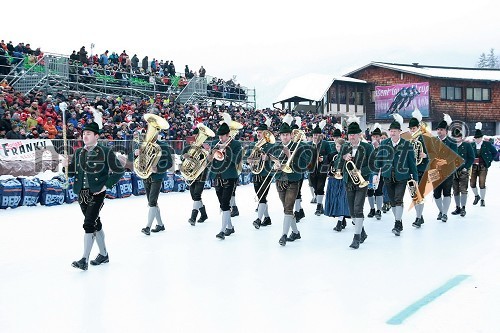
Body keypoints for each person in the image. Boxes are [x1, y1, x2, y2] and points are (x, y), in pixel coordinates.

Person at [65, 112, 124, 270]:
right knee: (96, 223)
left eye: (88, 133)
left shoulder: (105, 151)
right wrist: (65, 165)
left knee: (89, 224)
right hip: (81, 192)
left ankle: (84, 259)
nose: (85, 136)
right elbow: (71, 173)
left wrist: (107, 186)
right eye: (83, 133)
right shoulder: (78, 153)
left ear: (96, 136)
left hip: (97, 192)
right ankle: (104, 255)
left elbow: (119, 171)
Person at [271, 114, 311, 246]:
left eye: (287, 135)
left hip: (293, 180)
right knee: (286, 208)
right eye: (282, 135)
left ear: (291, 135)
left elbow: (304, 164)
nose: (284, 137)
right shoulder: (276, 147)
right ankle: (295, 232)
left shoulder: (299, 146)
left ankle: (283, 235)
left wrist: (290, 156)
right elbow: (272, 163)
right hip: (279, 180)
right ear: (280, 136)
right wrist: (275, 165)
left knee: (288, 208)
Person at [375, 114, 418, 237]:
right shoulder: (384, 144)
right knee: (393, 201)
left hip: (402, 177)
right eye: (391, 131)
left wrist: (415, 178)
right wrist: (375, 173)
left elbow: (412, 163)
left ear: (400, 132)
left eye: (395, 131)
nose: (392, 133)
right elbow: (379, 161)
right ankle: (398, 220)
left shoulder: (407, 145)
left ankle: (397, 223)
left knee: (398, 199)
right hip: (388, 177)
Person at [335, 116, 373, 249]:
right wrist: (343, 157)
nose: (352, 137)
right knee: (352, 212)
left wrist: (362, 171)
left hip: (362, 182)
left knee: (358, 208)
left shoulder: (367, 147)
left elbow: (374, 165)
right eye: (350, 135)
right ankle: (361, 232)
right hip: (348, 182)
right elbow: (337, 164)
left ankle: (356, 238)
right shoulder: (345, 146)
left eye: (354, 135)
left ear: (359, 135)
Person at [133, 115, 173, 235]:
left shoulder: (164, 146)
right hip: (146, 175)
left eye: (154, 131)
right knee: (152, 203)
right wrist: (136, 154)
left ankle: (147, 227)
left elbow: (170, 163)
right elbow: (137, 160)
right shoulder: (143, 145)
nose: (151, 134)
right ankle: (160, 225)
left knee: (152, 202)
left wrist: (158, 168)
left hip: (157, 176)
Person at [208, 113, 242, 240]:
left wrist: (226, 150)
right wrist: (212, 152)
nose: (220, 138)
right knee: (222, 204)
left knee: (225, 202)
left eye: (222, 136)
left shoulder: (236, 144)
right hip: (217, 175)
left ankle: (222, 230)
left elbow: (237, 161)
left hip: (230, 175)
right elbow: (210, 160)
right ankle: (230, 227)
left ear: (228, 135)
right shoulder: (215, 143)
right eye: (219, 136)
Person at [182, 123, 214, 226]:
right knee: (194, 196)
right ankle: (204, 214)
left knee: (196, 195)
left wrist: (209, 152)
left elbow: (209, 161)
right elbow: (182, 157)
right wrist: (184, 157)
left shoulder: (205, 149)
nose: (196, 138)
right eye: (196, 136)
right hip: (191, 174)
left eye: (198, 136)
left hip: (201, 174)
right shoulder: (188, 147)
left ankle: (193, 217)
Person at [429, 114, 457, 222]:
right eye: (438, 129)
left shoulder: (451, 141)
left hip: (447, 171)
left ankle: (445, 213)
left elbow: (454, 155)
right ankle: (441, 210)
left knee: (446, 192)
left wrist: (445, 161)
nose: (439, 131)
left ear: (446, 131)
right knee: (436, 194)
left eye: (441, 130)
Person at [248, 115, 274, 229]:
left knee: (262, 196)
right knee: (260, 197)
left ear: (265, 133)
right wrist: (251, 160)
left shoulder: (270, 144)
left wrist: (267, 158)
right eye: (257, 132)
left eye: (260, 132)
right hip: (256, 173)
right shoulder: (254, 144)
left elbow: (276, 158)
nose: (258, 134)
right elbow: (249, 158)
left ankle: (258, 219)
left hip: (266, 173)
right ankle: (267, 218)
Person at [407, 108, 430, 228]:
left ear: (418, 128)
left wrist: (426, 155)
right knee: (414, 194)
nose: (412, 131)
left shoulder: (425, 139)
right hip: (412, 171)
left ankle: (418, 217)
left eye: (414, 128)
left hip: (422, 169)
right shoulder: (409, 141)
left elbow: (434, 154)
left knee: (420, 194)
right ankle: (419, 215)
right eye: (410, 129)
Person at [324, 138, 350, 231]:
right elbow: (329, 166)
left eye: (339, 146)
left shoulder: (347, 155)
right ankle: (342, 220)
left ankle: (339, 222)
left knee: (341, 200)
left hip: (343, 180)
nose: (337, 148)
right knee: (336, 200)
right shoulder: (334, 155)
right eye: (336, 146)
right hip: (333, 180)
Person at [308, 120, 333, 216]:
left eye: (317, 135)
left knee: (320, 187)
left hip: (322, 168)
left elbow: (330, 155)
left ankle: (318, 206)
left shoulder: (325, 143)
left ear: (320, 136)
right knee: (315, 187)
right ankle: (320, 204)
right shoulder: (309, 144)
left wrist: (323, 158)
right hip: (312, 169)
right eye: (314, 135)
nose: (315, 136)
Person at [470, 122, 498, 207]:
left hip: (483, 166)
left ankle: (482, 199)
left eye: (479, 138)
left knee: (482, 183)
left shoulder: (487, 144)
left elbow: (495, 152)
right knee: (472, 183)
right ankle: (476, 196)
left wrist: (489, 161)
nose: (477, 139)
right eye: (476, 138)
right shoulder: (472, 145)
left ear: (481, 138)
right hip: (474, 166)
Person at [450, 127, 475, 217]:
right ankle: (457, 207)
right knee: (455, 190)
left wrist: (466, 167)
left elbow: (471, 158)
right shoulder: (451, 146)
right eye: (454, 137)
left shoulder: (467, 145)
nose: (456, 139)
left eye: (457, 137)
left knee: (463, 189)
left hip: (463, 170)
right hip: (453, 171)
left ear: (461, 137)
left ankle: (463, 208)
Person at [366, 123, 384, 220]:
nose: (375, 138)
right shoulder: (369, 146)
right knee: (369, 191)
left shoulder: (383, 146)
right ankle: (372, 208)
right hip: (370, 171)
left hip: (379, 172)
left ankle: (379, 210)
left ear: (380, 137)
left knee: (379, 191)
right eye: (374, 136)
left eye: (377, 136)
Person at [292, 117, 306, 222]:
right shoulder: (289, 144)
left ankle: (297, 212)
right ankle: (299, 210)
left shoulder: (302, 145)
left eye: (296, 134)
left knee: (297, 192)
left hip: (299, 171)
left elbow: (306, 159)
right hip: (290, 171)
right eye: (293, 134)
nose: (294, 136)